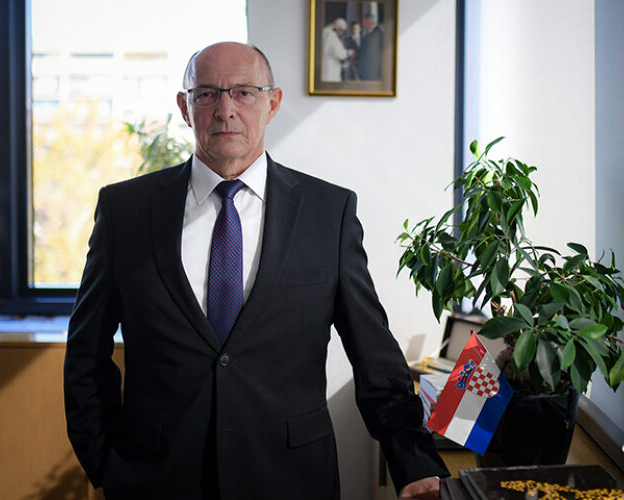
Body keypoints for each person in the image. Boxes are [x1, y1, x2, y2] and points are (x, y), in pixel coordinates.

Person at [64, 41, 448, 500]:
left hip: (292, 479)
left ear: (273, 103)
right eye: (207, 94)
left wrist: (414, 463)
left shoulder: (329, 212)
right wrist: (106, 463)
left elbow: (374, 356)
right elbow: (86, 352)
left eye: (244, 92)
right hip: (155, 480)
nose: (225, 109)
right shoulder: (125, 210)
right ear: (185, 107)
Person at [321, 18, 351, 82]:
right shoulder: (331, 35)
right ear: (337, 26)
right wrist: (348, 52)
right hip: (331, 67)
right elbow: (339, 53)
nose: (341, 33)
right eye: (342, 30)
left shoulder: (324, 32)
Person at [358, 13, 384, 81]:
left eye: (364, 22)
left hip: (373, 73)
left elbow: (372, 54)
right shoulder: (370, 33)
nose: (363, 24)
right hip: (369, 72)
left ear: (368, 22)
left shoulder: (377, 33)